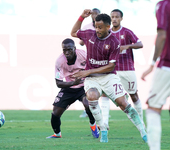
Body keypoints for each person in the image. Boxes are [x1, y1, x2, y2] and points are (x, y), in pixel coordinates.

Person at [71, 9, 147, 143]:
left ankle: (143, 131)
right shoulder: (89, 34)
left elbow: (111, 66)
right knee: (92, 96)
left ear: (107, 26)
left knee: (123, 103)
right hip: (92, 79)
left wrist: (87, 71)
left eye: (100, 27)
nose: (97, 30)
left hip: (108, 76)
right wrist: (81, 17)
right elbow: (73, 33)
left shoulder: (114, 42)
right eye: (95, 26)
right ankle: (104, 129)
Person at [46, 38, 99, 139]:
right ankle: (57, 134)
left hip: (84, 86)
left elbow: (94, 68)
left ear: (74, 48)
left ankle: (93, 124)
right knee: (55, 113)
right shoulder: (59, 61)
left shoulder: (83, 54)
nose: (67, 52)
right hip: (69, 88)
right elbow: (58, 83)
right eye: (64, 50)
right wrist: (73, 82)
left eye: (69, 49)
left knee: (87, 104)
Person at [141, 0, 170, 149]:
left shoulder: (164, 5)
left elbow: (162, 35)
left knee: (153, 107)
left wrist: (152, 64)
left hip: (167, 65)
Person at [110, 9, 144, 123]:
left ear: (121, 18)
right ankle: (104, 125)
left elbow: (140, 44)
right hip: (113, 70)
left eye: (117, 17)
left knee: (134, 95)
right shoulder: (107, 33)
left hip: (127, 69)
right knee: (105, 95)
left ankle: (141, 121)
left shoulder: (127, 32)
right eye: (112, 17)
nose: (114, 19)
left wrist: (127, 46)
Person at [79, 8, 110, 127]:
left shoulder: (105, 28)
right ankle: (90, 110)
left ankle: (104, 119)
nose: (94, 16)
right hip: (90, 58)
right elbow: (81, 41)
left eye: (96, 14)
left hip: (102, 62)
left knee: (106, 93)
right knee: (89, 88)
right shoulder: (87, 27)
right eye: (93, 14)